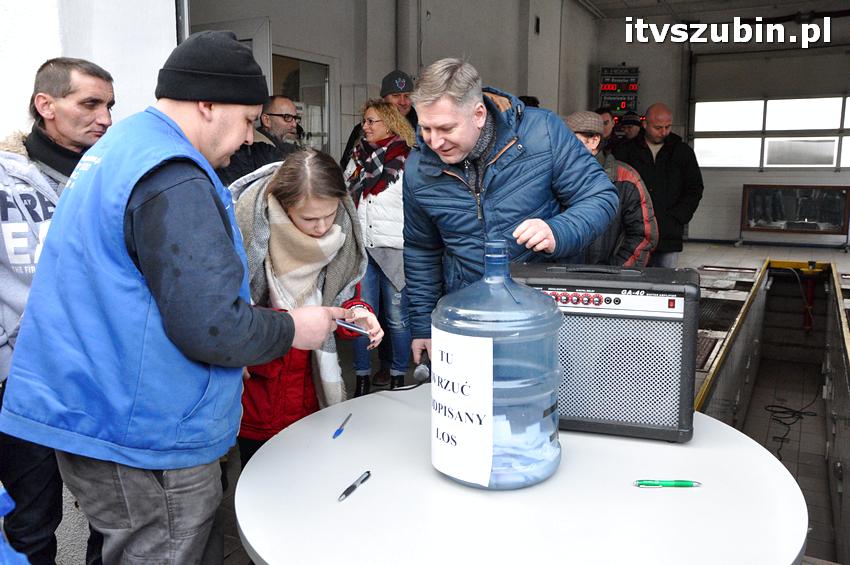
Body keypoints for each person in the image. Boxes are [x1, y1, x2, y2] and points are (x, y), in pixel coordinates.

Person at [0, 30, 356, 563]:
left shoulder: (120, 149)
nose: (248, 138)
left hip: (93, 403)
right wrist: (295, 328)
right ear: (208, 104)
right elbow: (212, 325)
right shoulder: (173, 175)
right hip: (144, 430)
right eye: (247, 119)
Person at [403, 58, 618, 363]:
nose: (434, 141)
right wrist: (424, 324)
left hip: (543, 311)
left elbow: (600, 196)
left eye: (446, 128)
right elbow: (421, 249)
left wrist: (558, 230)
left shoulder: (543, 132)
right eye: (425, 128)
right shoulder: (418, 168)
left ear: (478, 114)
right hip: (468, 316)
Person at [0, 57, 113, 565]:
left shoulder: (113, 175)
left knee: (111, 514)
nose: (105, 118)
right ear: (45, 105)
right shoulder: (5, 182)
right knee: (32, 516)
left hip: (99, 378)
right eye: (90, 103)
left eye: (110, 105)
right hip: (23, 383)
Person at [230, 149, 383, 468]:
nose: (322, 227)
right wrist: (293, 326)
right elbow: (228, 318)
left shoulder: (342, 242)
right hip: (258, 399)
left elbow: (342, 300)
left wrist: (359, 314)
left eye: (330, 214)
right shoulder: (244, 235)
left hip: (313, 399)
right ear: (283, 207)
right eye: (310, 219)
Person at [343, 100, 415, 395]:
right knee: (361, 315)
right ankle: (361, 376)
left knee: (397, 318)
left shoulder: (408, 160)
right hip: (362, 248)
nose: (366, 127)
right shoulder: (357, 159)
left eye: (372, 121)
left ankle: (398, 375)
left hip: (395, 249)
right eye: (365, 121)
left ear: (391, 124)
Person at [614, 102, 704, 268]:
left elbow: (694, 187)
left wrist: (679, 216)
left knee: (665, 283)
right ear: (645, 124)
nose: (664, 132)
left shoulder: (682, 152)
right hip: (631, 234)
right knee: (631, 284)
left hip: (668, 233)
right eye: (658, 127)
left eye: (667, 127)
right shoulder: (626, 151)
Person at [565, 111, 657, 267]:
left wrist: (615, 274)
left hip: (609, 279)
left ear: (594, 141)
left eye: (569, 141)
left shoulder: (626, 179)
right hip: (559, 278)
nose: (562, 148)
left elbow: (643, 236)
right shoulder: (553, 177)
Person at [340, 70, 417, 170]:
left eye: (407, 96)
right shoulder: (363, 129)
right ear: (384, 100)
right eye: (396, 95)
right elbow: (345, 166)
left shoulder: (423, 129)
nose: (402, 102)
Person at [216, 95, 301, 185]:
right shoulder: (254, 151)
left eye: (295, 118)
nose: (294, 124)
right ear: (266, 120)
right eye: (287, 117)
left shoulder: (274, 148)